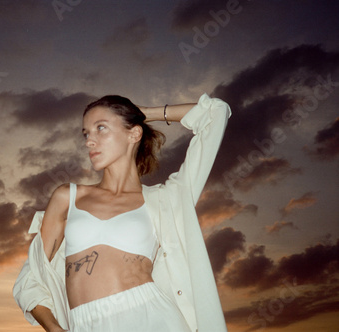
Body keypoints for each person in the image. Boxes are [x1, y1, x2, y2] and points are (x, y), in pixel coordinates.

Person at [13, 93, 231, 332]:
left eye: (101, 128)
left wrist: (147, 112)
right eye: (86, 133)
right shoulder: (68, 197)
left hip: (154, 319)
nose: (89, 141)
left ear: (134, 134)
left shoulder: (165, 199)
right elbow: (30, 278)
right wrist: (54, 327)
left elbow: (215, 113)